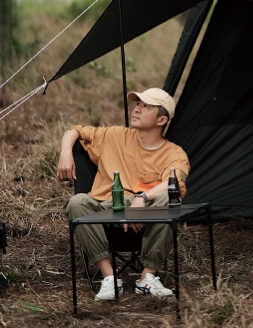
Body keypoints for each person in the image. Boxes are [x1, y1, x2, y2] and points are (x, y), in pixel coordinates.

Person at [56, 87, 190, 301]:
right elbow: (75, 130)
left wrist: (142, 198)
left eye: (146, 107)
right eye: (138, 104)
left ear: (161, 120)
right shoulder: (115, 135)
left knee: (169, 198)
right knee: (76, 202)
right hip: (106, 209)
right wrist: (65, 153)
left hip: (145, 218)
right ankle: (109, 278)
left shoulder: (174, 153)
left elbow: (174, 183)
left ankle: (147, 277)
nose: (137, 109)